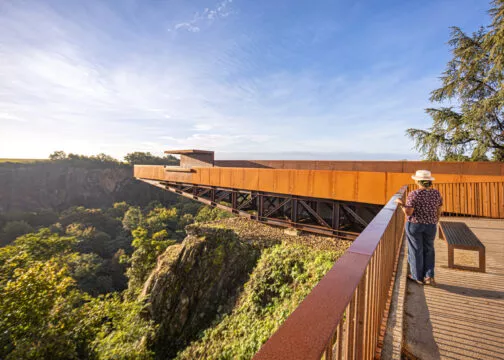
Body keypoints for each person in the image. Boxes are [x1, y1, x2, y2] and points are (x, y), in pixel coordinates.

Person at [395, 170, 443, 286]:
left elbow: (409, 212)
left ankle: (417, 277)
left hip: (415, 225)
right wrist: (436, 219)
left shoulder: (414, 194)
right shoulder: (436, 193)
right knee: (429, 249)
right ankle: (429, 276)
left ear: (418, 181)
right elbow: (439, 209)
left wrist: (401, 203)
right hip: (431, 225)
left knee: (416, 250)